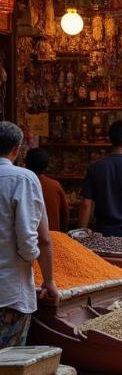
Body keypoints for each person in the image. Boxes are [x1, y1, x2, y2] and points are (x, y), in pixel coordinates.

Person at [0, 122, 58, 348]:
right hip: (10, 291)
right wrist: (49, 280)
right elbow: (35, 239)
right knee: (8, 369)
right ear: (17, 149)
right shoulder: (23, 178)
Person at [25, 148, 69, 233]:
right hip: (52, 235)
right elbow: (65, 213)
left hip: (26, 236)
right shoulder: (54, 185)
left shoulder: (22, 184)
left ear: (25, 164)